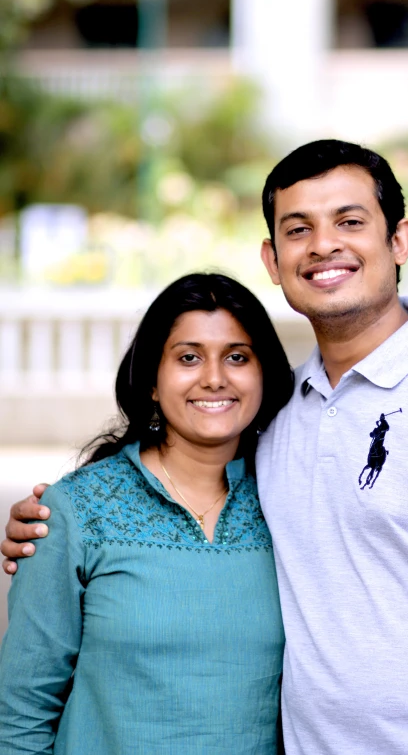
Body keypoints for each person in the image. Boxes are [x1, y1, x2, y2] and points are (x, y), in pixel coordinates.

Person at [4, 139, 408, 755]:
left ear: (400, 240)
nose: (324, 244)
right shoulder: (282, 418)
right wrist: (56, 520)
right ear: (273, 260)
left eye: (350, 222)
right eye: (298, 229)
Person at [0, 272, 293, 754]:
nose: (215, 376)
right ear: (153, 382)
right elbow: (22, 716)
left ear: (265, 375)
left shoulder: (293, 502)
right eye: (188, 357)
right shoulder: (77, 511)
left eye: (237, 357)